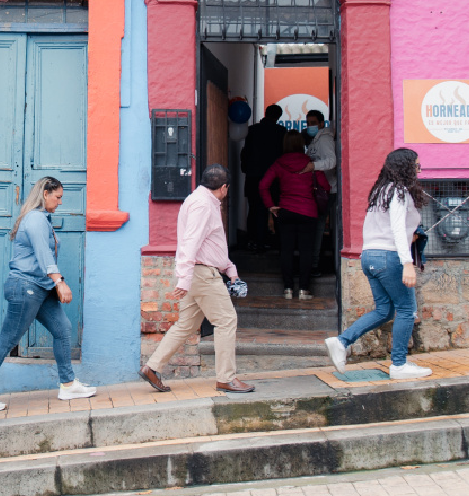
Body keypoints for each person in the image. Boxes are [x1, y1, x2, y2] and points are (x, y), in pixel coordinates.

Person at [0, 177, 97, 410]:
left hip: (39, 287)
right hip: (26, 287)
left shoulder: (40, 219)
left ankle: (68, 384)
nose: (59, 202)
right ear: (45, 193)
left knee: (62, 329)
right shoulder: (36, 219)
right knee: (7, 339)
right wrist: (59, 281)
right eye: (57, 197)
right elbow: (42, 253)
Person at [140, 164, 255, 394]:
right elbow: (191, 242)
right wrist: (184, 278)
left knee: (186, 325)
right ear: (223, 187)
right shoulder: (203, 205)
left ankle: (152, 367)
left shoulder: (197, 200)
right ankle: (226, 378)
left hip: (197, 273)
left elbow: (209, 244)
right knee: (226, 320)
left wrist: (230, 271)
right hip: (202, 274)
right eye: (226, 189)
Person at [324, 148, 432, 380]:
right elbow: (395, 229)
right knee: (406, 309)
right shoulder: (399, 192)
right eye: (416, 165)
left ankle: (341, 341)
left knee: (384, 310)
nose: (418, 169)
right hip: (389, 257)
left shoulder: (381, 191)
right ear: (406, 167)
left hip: (370, 256)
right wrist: (407, 262)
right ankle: (399, 365)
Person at [260, 130, 329, 301]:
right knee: (306, 252)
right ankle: (304, 290)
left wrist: (271, 206)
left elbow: (263, 185)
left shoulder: (279, 163)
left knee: (286, 251)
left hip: (286, 211)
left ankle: (288, 289)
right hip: (308, 212)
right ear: (301, 144)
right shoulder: (311, 164)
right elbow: (325, 187)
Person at [240, 105, 285, 251]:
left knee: (254, 209)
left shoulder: (252, 130)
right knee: (276, 209)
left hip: (253, 177)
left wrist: (246, 169)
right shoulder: (281, 132)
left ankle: (254, 241)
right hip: (274, 178)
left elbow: (245, 154)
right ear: (278, 117)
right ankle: (278, 242)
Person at [300, 109, 339, 266]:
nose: (310, 126)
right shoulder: (316, 140)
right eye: (308, 123)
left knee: (318, 226)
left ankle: (315, 263)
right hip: (322, 189)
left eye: (314, 123)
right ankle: (315, 261)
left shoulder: (324, 140)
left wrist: (313, 166)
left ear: (322, 124)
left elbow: (332, 161)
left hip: (327, 189)